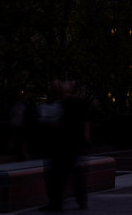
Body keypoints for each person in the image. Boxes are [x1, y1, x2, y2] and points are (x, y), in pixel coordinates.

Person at [41, 80, 89, 211]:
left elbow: (54, 123)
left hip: (63, 144)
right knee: (75, 174)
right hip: (72, 143)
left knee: (57, 175)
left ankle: (56, 203)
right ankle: (80, 201)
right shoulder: (75, 103)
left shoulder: (61, 104)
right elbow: (85, 123)